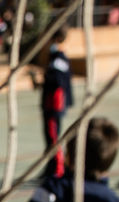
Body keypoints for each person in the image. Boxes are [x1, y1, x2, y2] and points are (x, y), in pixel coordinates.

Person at [40, 26, 73, 179]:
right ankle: (50, 167)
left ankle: (58, 169)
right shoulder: (54, 56)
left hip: (54, 104)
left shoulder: (59, 58)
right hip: (49, 103)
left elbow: (59, 82)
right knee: (49, 137)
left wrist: (46, 78)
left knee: (54, 138)